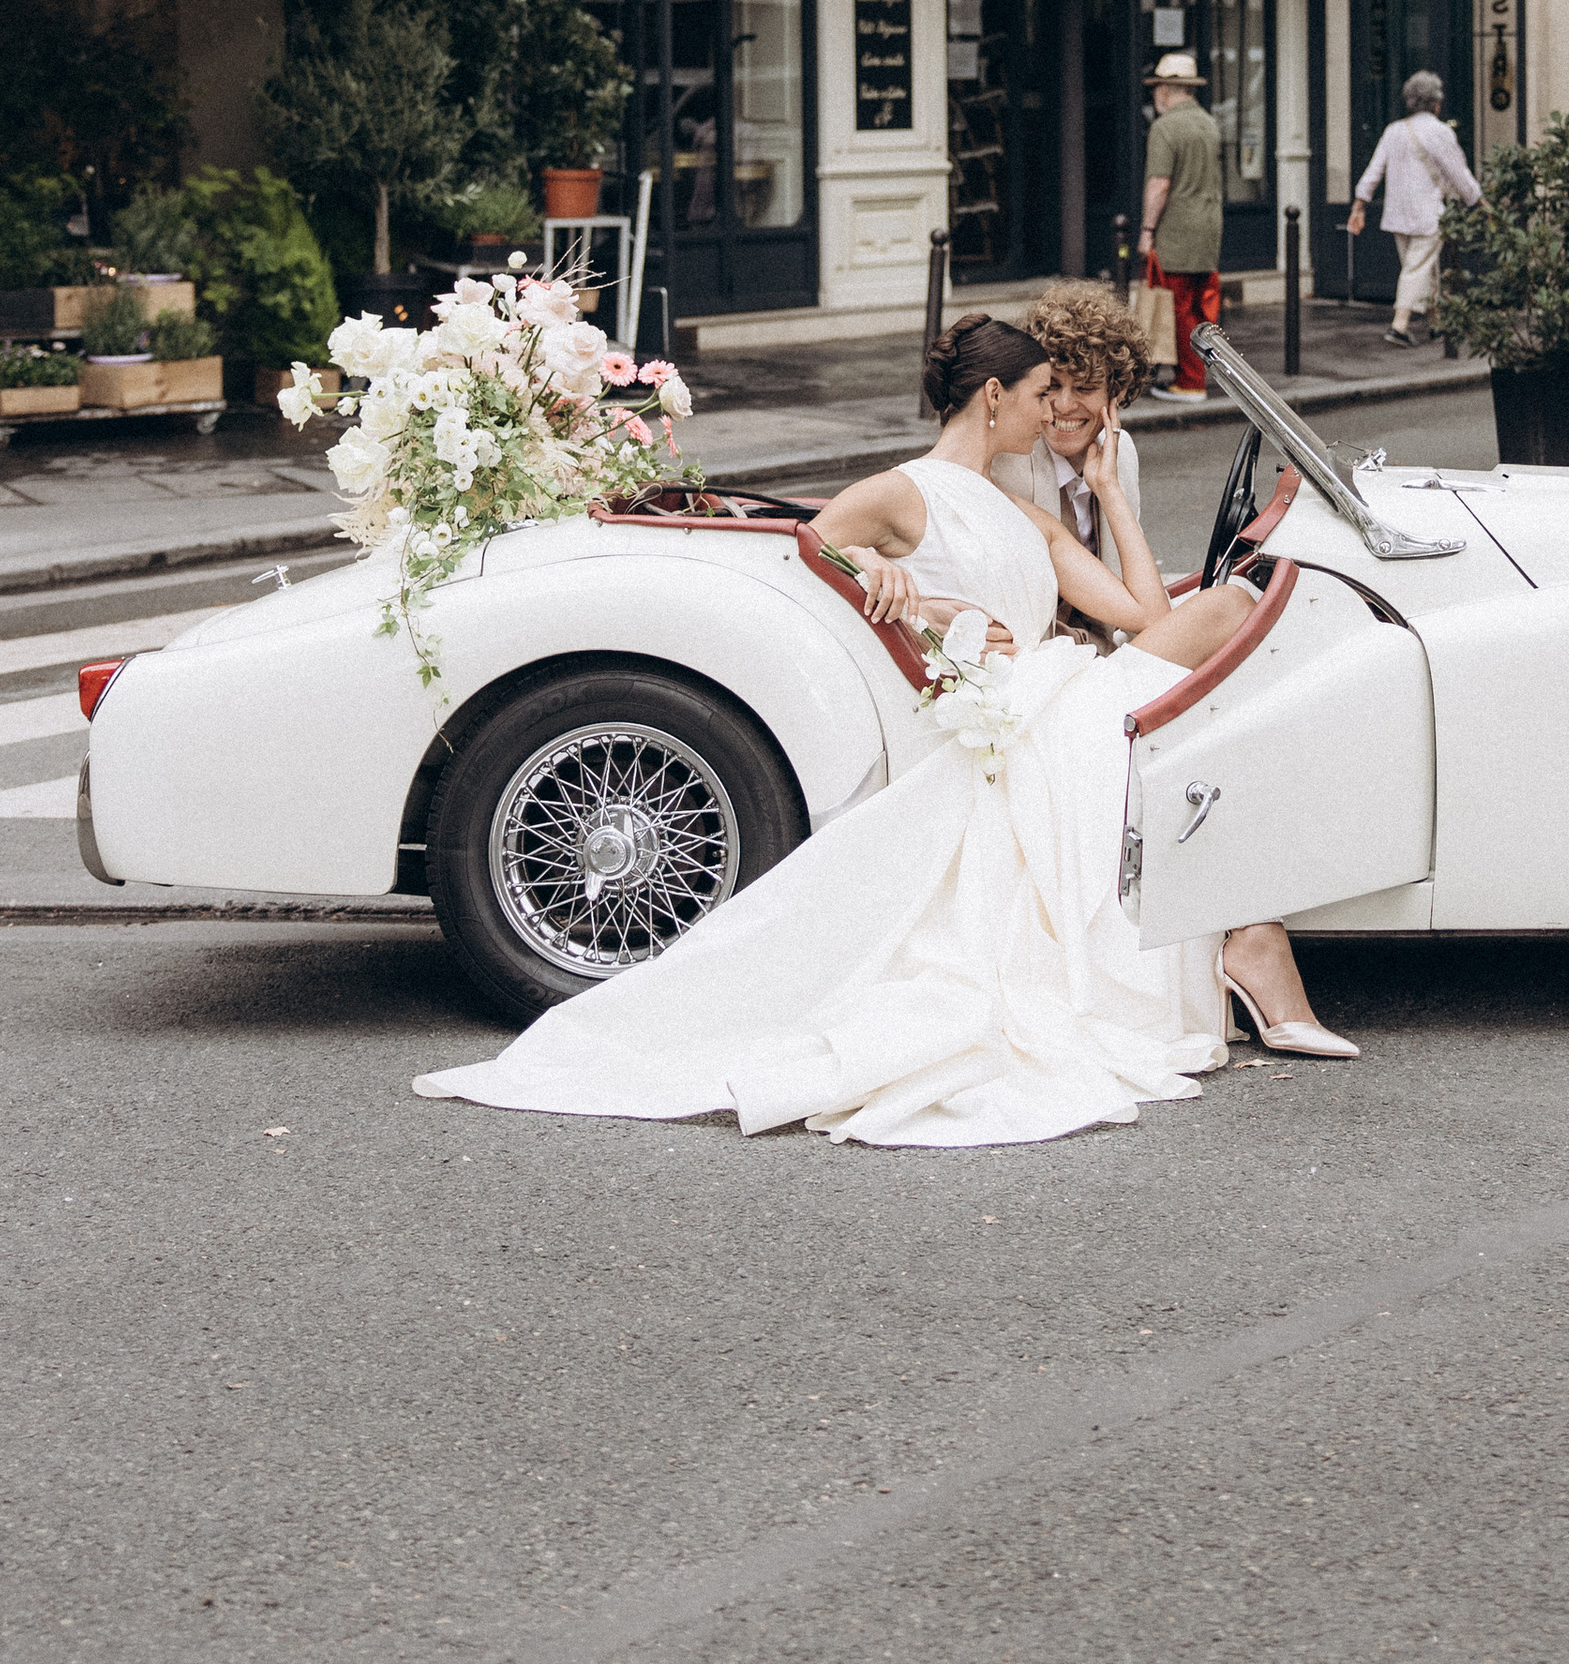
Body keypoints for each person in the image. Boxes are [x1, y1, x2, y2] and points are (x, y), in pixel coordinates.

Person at [411, 316, 1355, 1147]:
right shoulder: (905, 492)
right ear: (994, 396)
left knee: (1230, 608)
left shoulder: (1026, 512)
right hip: (1009, 708)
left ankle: (1247, 924)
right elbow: (804, 560)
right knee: (1230, 614)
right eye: (1038, 394)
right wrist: (901, 588)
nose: (1049, 414)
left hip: (1052, 692)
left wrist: (1107, 490)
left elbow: (1146, 618)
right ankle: (1251, 931)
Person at [996, 278, 1149, 644]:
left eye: (1084, 388)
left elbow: (1139, 596)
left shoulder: (1122, 452)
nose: (1063, 406)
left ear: (1117, 392)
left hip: (1107, 647)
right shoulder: (1008, 460)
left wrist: (1107, 487)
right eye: (1052, 387)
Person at [1346, 69, 1483, 346]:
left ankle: (1436, 322)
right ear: (1436, 103)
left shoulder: (1393, 131)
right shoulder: (1440, 132)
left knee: (1421, 267)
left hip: (1398, 215)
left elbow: (1374, 171)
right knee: (1416, 269)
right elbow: (1459, 174)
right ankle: (1399, 325)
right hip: (1428, 214)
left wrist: (1359, 205)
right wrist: (1480, 201)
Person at [1138, 50, 1223, 396]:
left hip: (1176, 231)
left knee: (1178, 307)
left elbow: (1159, 184)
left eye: (1156, 88)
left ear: (1164, 90)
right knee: (1203, 307)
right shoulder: (1209, 123)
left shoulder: (1165, 127)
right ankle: (1196, 374)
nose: (1154, 95)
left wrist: (1147, 230)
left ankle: (1189, 381)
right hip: (1209, 227)